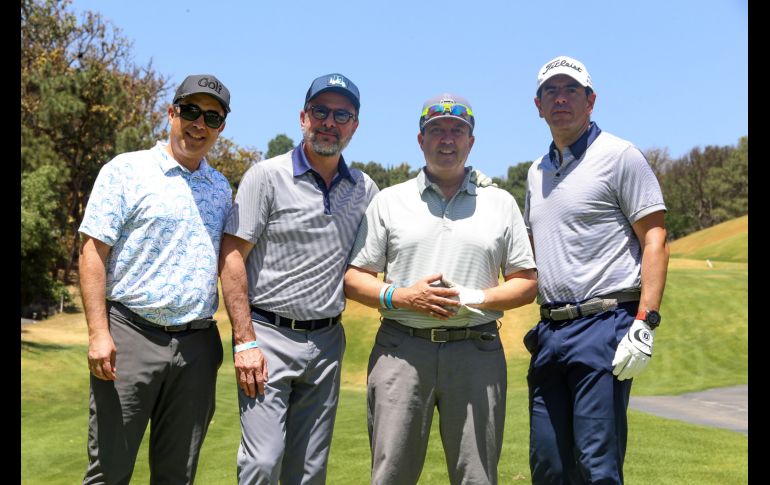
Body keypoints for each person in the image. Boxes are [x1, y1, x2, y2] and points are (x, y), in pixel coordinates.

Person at [344, 93, 538, 485]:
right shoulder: (389, 201)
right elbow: (355, 278)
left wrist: (474, 297)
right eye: (436, 130)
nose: (446, 139)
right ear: (421, 140)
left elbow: (526, 284)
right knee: (391, 474)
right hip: (401, 349)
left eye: (456, 130)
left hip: (476, 351)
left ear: (471, 141)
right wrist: (401, 296)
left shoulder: (500, 203)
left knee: (477, 476)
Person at [218, 73, 379, 485]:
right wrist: (244, 340)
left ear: (355, 125)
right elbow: (233, 257)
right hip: (268, 336)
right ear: (303, 117)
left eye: (342, 114)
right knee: (262, 462)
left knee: (308, 472)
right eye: (320, 111)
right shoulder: (266, 176)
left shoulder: (365, 189)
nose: (330, 122)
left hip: (326, 343)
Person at [78, 74, 233, 484]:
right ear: (171, 112)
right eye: (190, 111)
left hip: (197, 345)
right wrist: (98, 332)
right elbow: (93, 252)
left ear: (222, 127)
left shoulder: (221, 189)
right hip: (130, 336)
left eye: (212, 118)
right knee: (109, 471)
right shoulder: (126, 170)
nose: (199, 125)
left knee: (176, 476)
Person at [523, 55, 670, 484]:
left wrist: (646, 322)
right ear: (538, 105)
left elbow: (655, 239)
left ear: (591, 100)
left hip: (604, 325)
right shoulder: (536, 172)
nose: (561, 98)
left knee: (596, 466)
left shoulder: (620, 156)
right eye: (551, 91)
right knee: (548, 464)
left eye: (571, 90)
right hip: (550, 331)